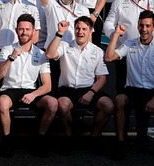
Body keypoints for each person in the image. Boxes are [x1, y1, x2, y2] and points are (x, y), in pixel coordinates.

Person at [105, 10, 154, 159]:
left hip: (151, 91)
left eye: (148, 26)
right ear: (137, 26)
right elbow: (109, 57)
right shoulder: (129, 44)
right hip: (132, 90)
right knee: (119, 100)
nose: (144, 29)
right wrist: (116, 34)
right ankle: (121, 144)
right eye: (141, 25)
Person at [46, 17, 114, 152]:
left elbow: (101, 78)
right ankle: (69, 137)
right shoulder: (65, 46)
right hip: (67, 89)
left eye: (84, 29)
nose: (80, 32)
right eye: (77, 28)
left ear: (91, 31)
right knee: (63, 105)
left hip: (88, 90)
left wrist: (91, 93)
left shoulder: (97, 51)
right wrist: (60, 33)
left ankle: (93, 137)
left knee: (108, 105)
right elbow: (50, 54)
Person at [0, 14, 55, 157]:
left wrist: (33, 94)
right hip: (10, 89)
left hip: (30, 90)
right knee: (2, 103)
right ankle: (7, 141)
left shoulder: (41, 53)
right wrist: (11, 58)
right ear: (16, 30)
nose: (24, 32)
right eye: (21, 29)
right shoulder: (7, 49)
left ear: (33, 31)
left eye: (27, 29)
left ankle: (40, 139)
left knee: (52, 103)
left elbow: (47, 86)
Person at [38, 0, 90, 88]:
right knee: (53, 91)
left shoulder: (84, 10)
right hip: (53, 55)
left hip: (74, 55)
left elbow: (89, 36)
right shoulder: (51, 5)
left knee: (73, 90)